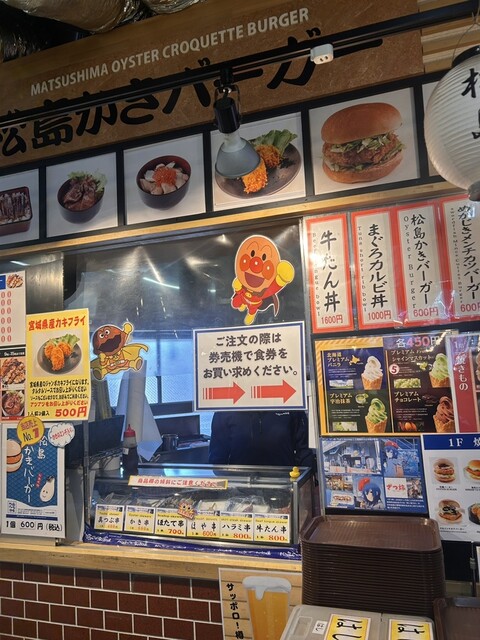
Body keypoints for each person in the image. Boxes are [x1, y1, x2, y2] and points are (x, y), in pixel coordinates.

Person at [208, 410, 314, 467]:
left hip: (285, 485)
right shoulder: (225, 410)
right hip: (238, 487)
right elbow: (217, 458)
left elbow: (304, 451)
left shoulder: (291, 406)